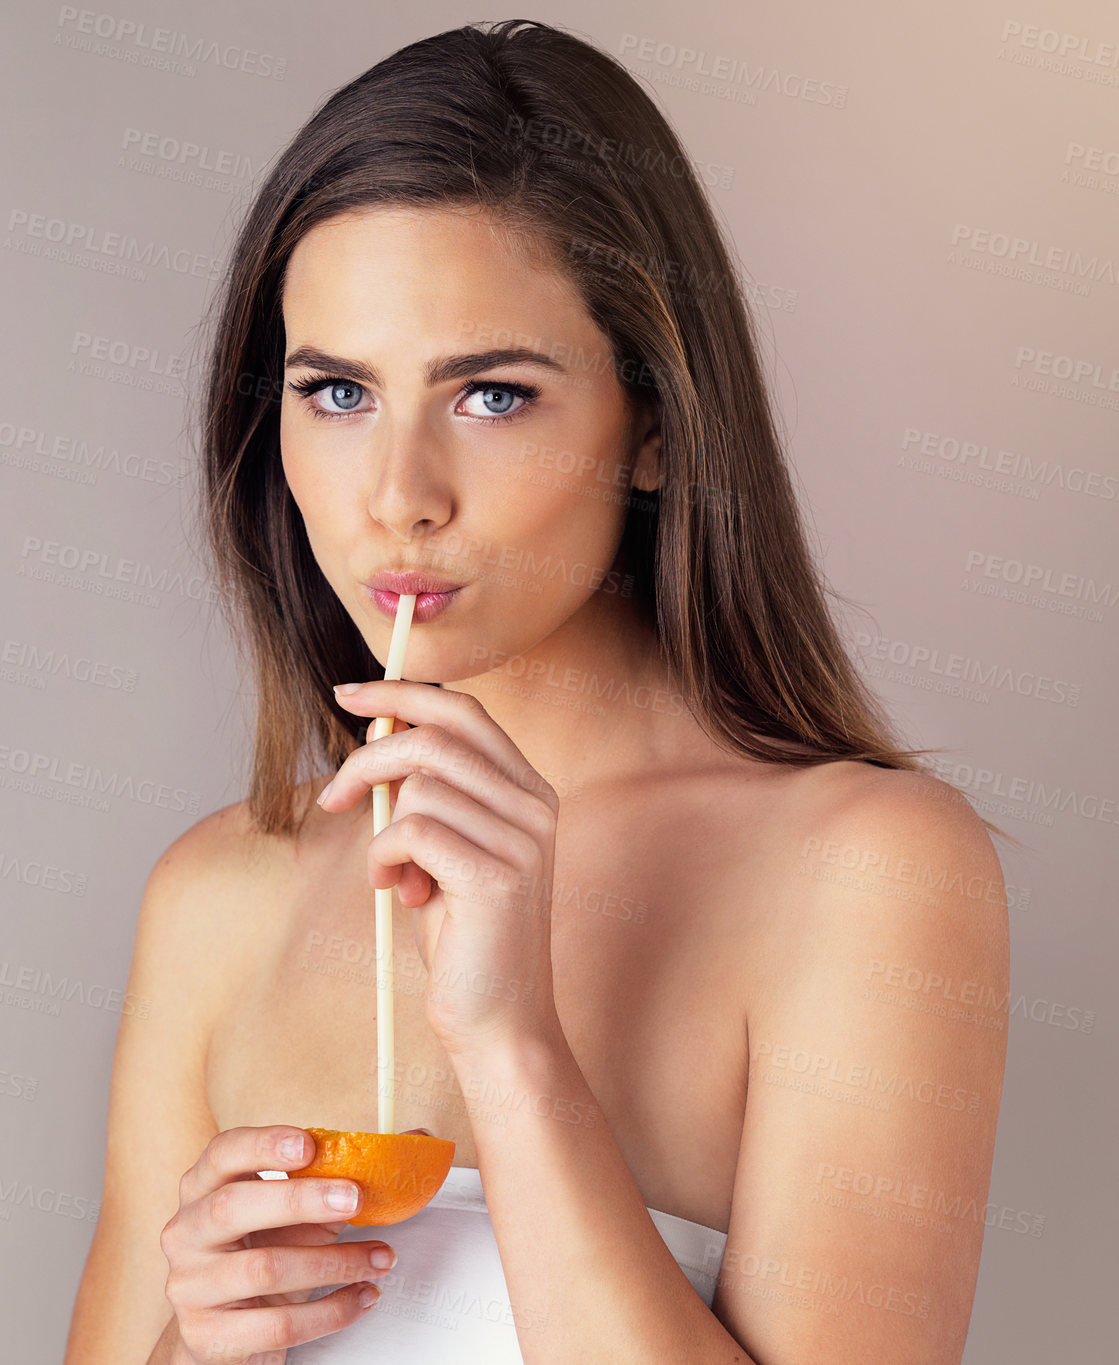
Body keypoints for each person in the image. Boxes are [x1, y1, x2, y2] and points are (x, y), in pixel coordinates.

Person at [64, 19, 1012, 1364]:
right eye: (337, 390)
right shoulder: (217, 894)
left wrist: (513, 1045)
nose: (399, 493)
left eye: (492, 395)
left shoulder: (867, 871)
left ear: (659, 429)